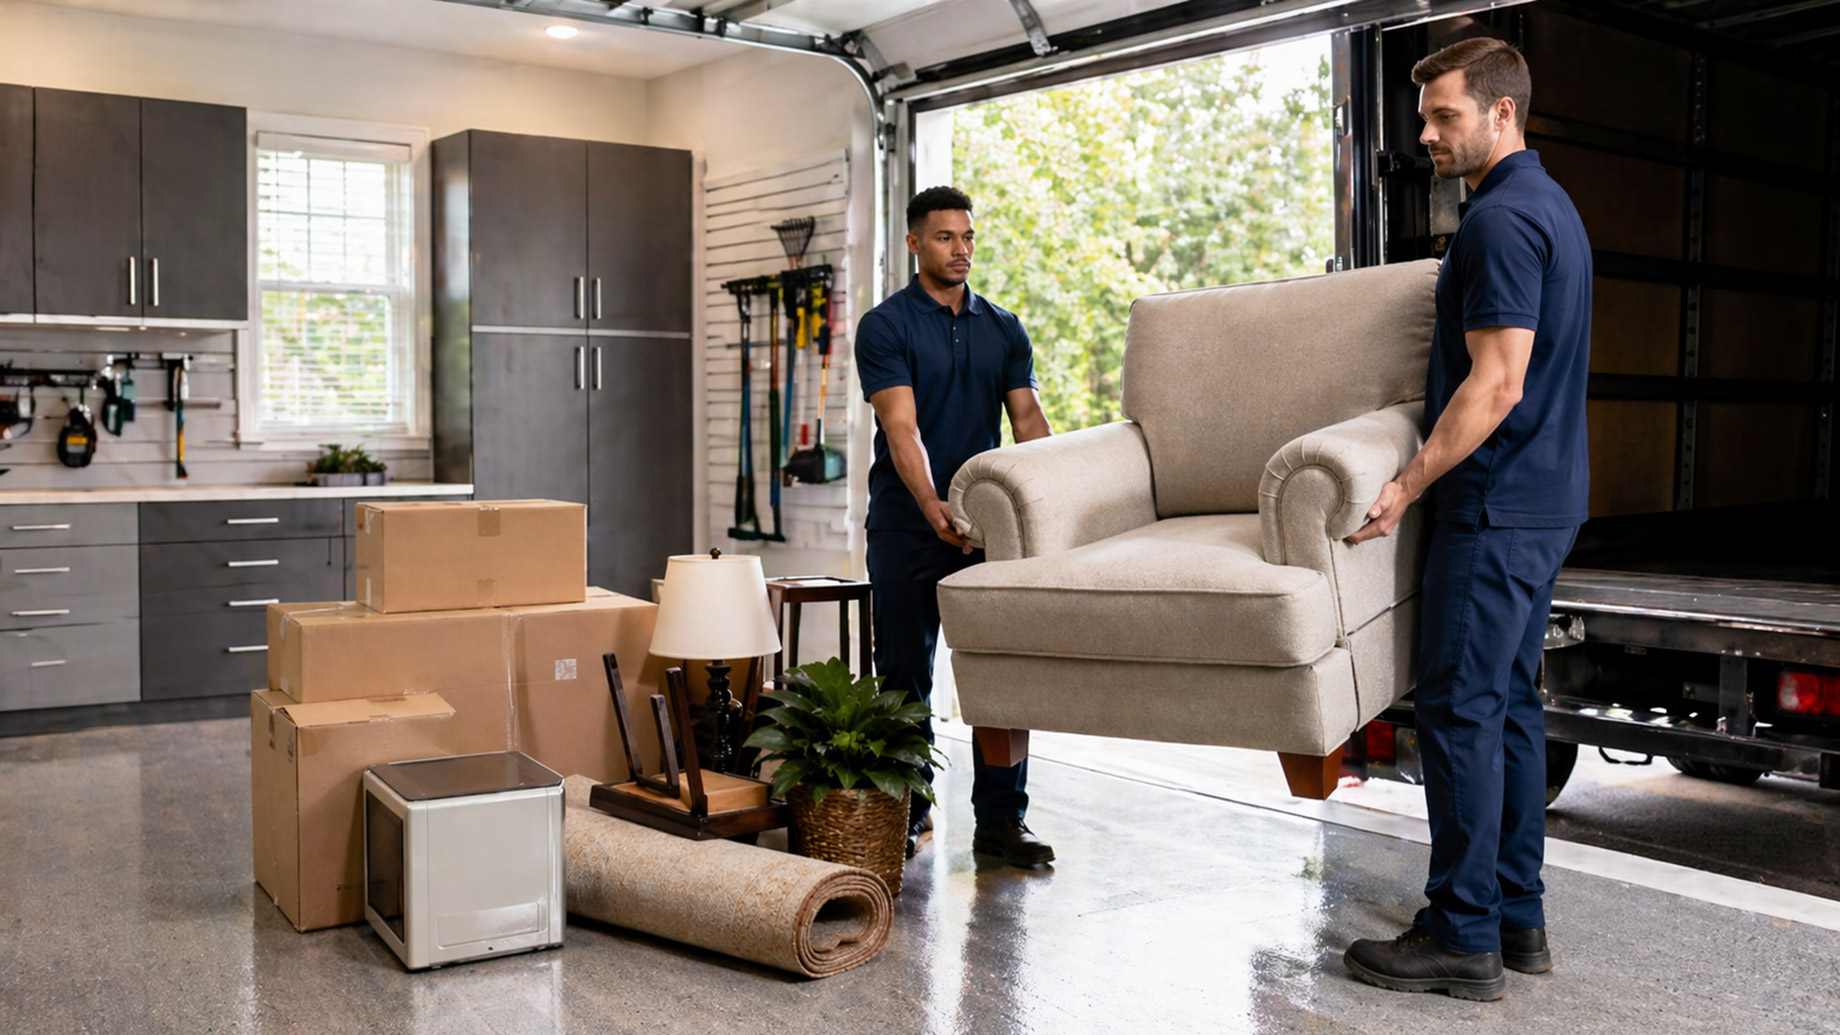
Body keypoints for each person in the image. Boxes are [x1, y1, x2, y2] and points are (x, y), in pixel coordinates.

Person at [1341, 37, 1592, 1001]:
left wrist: (1405, 484)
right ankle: (1517, 917)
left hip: (1492, 504)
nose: (1427, 133)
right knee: (1512, 707)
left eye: (1444, 115)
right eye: (1426, 117)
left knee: (1456, 708)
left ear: (1501, 114)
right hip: (1547, 499)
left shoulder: (1497, 224)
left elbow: (1497, 382)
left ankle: (1461, 932)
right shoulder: (1554, 209)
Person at [854, 186, 1055, 867]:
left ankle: (1003, 821)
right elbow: (900, 425)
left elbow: (1028, 423)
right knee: (905, 674)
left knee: (999, 672)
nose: (961, 248)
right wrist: (932, 503)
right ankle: (908, 811)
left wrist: (1052, 499)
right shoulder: (885, 326)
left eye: (967, 236)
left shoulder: (1004, 327)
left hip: (989, 529)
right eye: (945, 237)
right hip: (908, 525)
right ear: (915, 243)